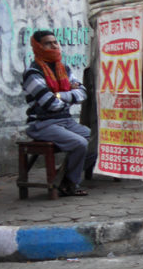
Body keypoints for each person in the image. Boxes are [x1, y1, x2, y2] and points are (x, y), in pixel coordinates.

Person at [21, 31, 96, 197]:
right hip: (42, 124)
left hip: (65, 120)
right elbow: (50, 104)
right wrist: (70, 94)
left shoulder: (64, 69)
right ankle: (70, 183)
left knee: (97, 141)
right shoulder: (33, 73)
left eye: (55, 42)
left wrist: (61, 95)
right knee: (80, 143)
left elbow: (83, 94)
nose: (54, 46)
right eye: (48, 43)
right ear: (38, 47)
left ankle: (63, 178)